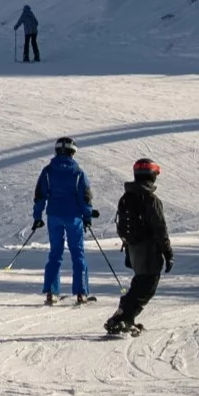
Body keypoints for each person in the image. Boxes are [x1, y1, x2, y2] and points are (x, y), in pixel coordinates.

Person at [107, 158, 172, 335]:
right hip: (148, 249)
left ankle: (123, 316)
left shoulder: (126, 197)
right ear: (152, 175)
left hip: (133, 247)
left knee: (140, 283)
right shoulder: (150, 199)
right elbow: (160, 229)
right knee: (147, 286)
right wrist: (167, 252)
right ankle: (123, 319)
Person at [31, 136, 96, 305]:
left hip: (54, 216)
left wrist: (37, 217)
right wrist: (87, 216)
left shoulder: (48, 171)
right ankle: (81, 293)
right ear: (73, 151)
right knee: (78, 254)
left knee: (55, 254)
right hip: (74, 217)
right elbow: (85, 196)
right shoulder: (78, 172)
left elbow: (40, 195)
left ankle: (51, 293)